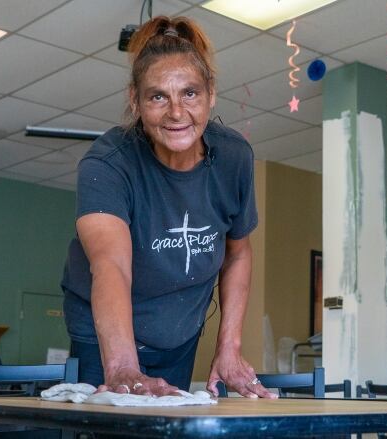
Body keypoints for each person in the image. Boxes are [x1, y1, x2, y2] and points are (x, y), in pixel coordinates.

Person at [61, 15, 276, 399]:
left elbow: (238, 252)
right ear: (136, 101)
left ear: (211, 93)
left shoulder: (233, 158)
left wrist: (229, 348)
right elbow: (111, 265)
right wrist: (123, 365)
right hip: (104, 335)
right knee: (111, 419)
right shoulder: (108, 164)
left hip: (179, 330)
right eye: (158, 96)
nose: (177, 113)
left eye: (190, 93)